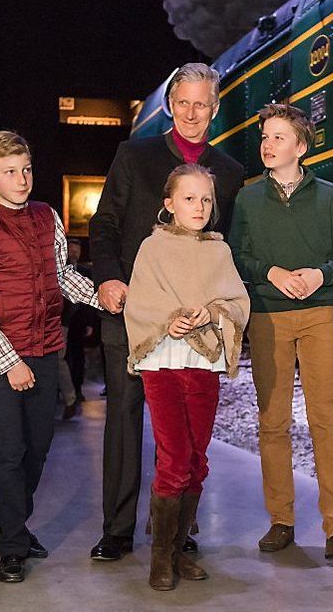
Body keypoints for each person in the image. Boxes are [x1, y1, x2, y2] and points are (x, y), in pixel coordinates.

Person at [87, 62, 243, 561]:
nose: (192, 112)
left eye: (203, 103)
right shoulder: (134, 156)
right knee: (125, 419)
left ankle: (173, 529)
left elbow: (229, 250)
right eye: (184, 103)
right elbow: (105, 223)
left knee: (185, 433)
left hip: (197, 331)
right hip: (136, 315)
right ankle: (117, 528)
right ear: (170, 107)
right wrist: (108, 277)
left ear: (215, 109)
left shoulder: (232, 173)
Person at [229, 104, 333, 560]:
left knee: (326, 420)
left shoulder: (328, 195)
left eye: (276, 137)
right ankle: (281, 521)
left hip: (318, 316)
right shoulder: (247, 199)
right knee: (273, 422)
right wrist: (268, 272)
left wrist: (318, 275)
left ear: (301, 146)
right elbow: (236, 256)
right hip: (268, 318)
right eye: (265, 137)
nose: (267, 145)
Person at [0, 131, 103, 583]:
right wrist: (10, 362)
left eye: (26, 170)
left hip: (46, 349)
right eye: (10, 172)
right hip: (2, 358)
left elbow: (62, 275)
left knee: (38, 449)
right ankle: (12, 548)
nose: (22, 180)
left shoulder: (48, 217)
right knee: (7, 453)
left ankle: (13, 522)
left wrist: (106, 298)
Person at [125, 164, 248, 590]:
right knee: (174, 458)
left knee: (197, 460)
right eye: (190, 198)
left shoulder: (219, 251)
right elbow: (138, 303)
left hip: (204, 364)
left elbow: (237, 301)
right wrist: (169, 319)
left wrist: (213, 311)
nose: (199, 207)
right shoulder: (151, 249)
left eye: (206, 200)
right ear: (169, 204)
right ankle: (160, 559)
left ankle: (178, 552)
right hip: (163, 362)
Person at [59, 239, 94, 420]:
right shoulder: (59, 269)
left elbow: (87, 300)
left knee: (74, 357)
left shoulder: (85, 272)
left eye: (76, 249)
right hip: (59, 319)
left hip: (76, 321)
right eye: (71, 249)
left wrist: (89, 323)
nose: (74, 252)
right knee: (60, 359)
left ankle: (73, 394)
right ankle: (68, 396)